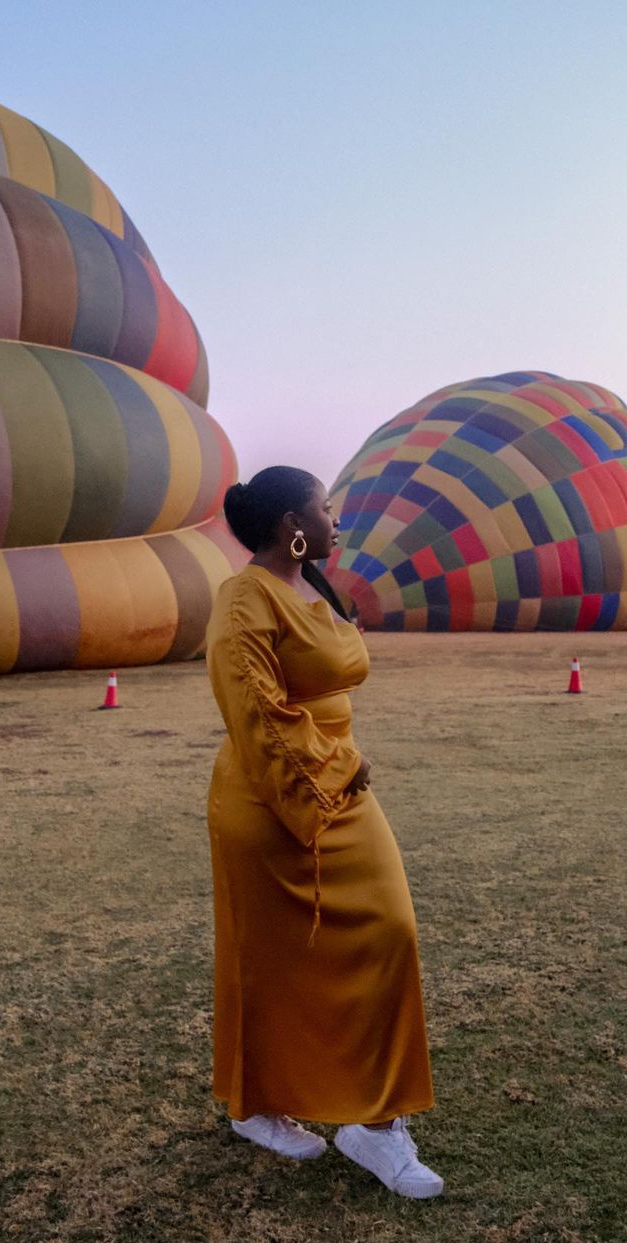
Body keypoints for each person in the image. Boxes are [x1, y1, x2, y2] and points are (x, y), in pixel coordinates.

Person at [205, 466, 443, 1200]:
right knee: (266, 957)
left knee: (391, 929)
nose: (337, 521)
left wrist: (340, 768)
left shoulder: (315, 587)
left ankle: (375, 1123)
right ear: (291, 524)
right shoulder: (244, 598)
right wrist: (336, 765)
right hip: (270, 797)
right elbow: (255, 708)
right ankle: (256, 1104)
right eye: (326, 509)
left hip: (340, 786)